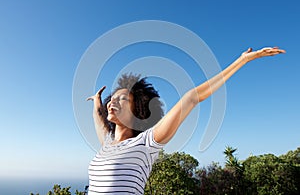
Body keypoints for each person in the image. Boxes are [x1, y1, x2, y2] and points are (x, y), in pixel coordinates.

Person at [86, 47, 285, 194]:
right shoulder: (107, 144)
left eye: (122, 99)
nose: (112, 103)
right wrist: (96, 101)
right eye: (111, 100)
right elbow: (99, 119)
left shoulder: (145, 144)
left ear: (137, 111)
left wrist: (242, 60)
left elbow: (192, 97)